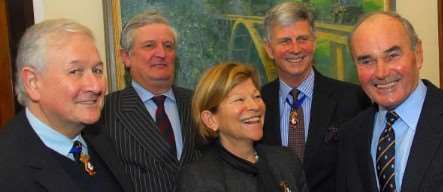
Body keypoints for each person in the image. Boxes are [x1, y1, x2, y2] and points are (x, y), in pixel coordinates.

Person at [0, 19, 133, 192]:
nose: (96, 86)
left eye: (97, 70)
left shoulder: (101, 139)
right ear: (33, 83)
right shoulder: (8, 167)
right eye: (75, 71)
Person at [260, 2, 370, 191]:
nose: (295, 49)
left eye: (302, 39)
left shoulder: (354, 100)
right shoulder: (257, 103)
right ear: (269, 49)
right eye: (285, 41)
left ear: (314, 42)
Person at [336, 12, 443, 192]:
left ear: (418, 54)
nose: (381, 72)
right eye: (367, 61)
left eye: (392, 56)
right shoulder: (350, 136)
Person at [100, 11, 201, 192]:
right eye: (149, 46)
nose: (161, 53)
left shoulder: (199, 103)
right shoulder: (105, 112)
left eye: (168, 46)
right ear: (126, 57)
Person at [175, 62, 309, 192]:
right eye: (239, 100)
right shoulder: (199, 179)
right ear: (211, 120)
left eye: (256, 96)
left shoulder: (285, 161)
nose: (255, 106)